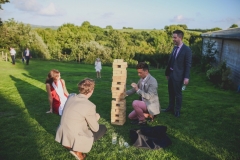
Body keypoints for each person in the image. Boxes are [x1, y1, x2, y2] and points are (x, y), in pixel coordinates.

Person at [55, 78, 107, 160]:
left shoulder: (71, 96)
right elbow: (95, 128)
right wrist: (96, 117)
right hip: (75, 135)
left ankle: (67, 143)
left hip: (62, 132)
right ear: (91, 90)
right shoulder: (90, 106)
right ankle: (77, 149)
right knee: (102, 128)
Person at [164, 30, 192, 117]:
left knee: (178, 94)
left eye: (175, 37)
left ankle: (177, 111)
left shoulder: (187, 50)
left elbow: (188, 64)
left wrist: (186, 77)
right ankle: (170, 107)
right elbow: (171, 61)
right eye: (173, 37)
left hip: (179, 75)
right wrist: (168, 73)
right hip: (171, 74)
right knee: (171, 92)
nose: (173, 39)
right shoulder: (175, 48)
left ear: (180, 38)